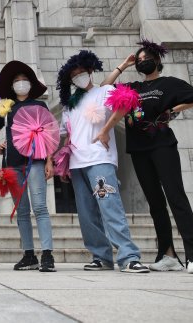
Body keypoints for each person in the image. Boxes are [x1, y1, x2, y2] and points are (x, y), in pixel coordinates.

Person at [96, 40, 193, 274]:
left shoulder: (168, 84)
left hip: (162, 145)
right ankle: (167, 255)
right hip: (138, 149)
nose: (142, 61)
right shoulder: (133, 87)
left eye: (147, 58)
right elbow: (103, 87)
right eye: (139, 59)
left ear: (157, 60)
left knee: (176, 197)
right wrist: (124, 65)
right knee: (155, 202)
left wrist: (173, 111)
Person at [56, 50, 149, 273]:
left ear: (90, 71)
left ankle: (128, 256)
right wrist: (61, 161)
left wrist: (106, 131)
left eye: (82, 73)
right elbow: (67, 135)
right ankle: (101, 256)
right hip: (77, 164)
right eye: (74, 76)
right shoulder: (70, 106)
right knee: (87, 214)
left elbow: (124, 105)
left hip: (100, 159)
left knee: (109, 206)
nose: (79, 77)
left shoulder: (105, 91)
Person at [0, 61, 56, 272]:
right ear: (12, 86)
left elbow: (48, 135)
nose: (21, 83)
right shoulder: (6, 107)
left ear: (31, 83)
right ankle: (29, 255)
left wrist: (49, 161)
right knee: (21, 211)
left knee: (40, 207)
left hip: (35, 161)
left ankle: (47, 254)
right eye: (17, 81)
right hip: (12, 164)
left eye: (24, 80)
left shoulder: (40, 106)